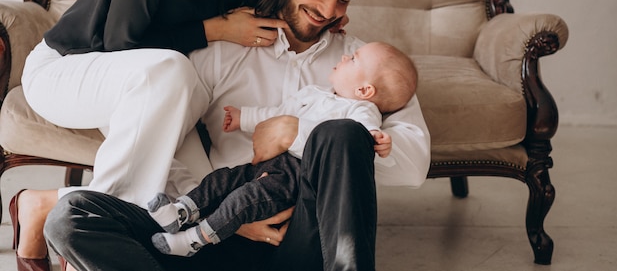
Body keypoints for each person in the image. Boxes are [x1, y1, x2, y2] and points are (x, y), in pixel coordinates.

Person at [43, 0, 431, 271]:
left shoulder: (365, 64)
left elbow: (413, 165)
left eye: (344, 0)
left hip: (303, 238)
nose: (329, 10)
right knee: (72, 216)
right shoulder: (228, 46)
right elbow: (163, 138)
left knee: (342, 133)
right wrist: (229, 215)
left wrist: (298, 133)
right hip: (211, 233)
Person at [10, 0, 333, 271]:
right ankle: (85, 231)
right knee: (173, 71)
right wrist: (215, 29)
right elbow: (118, 45)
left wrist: (321, 18)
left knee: (203, 195)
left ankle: (45, 206)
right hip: (68, 71)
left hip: (160, 89)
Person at [147, 41, 418, 257]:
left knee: (245, 199)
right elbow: (277, 113)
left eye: (354, 59)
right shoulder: (314, 93)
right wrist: (246, 117)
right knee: (222, 180)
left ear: (365, 89)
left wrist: (374, 138)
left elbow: (357, 137)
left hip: (293, 175)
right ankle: (182, 210)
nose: (346, 57)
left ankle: (194, 239)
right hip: (264, 166)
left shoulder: (360, 109)